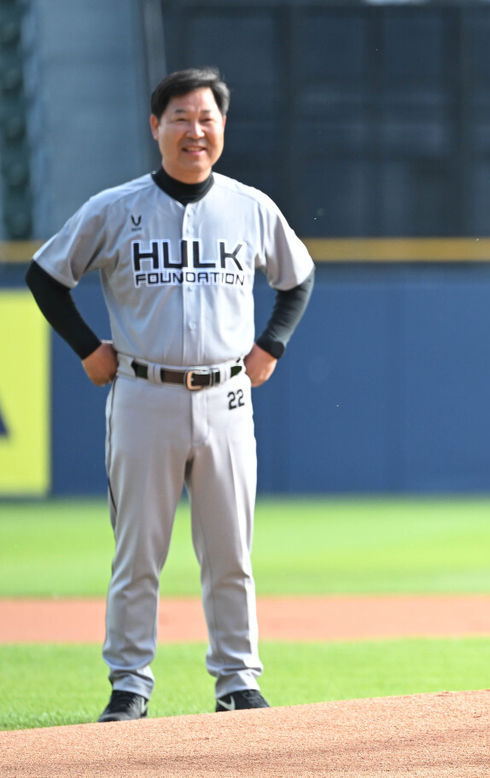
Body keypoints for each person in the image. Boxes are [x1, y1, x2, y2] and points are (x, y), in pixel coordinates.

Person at [25, 67, 315, 721]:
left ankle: (237, 681)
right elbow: (45, 275)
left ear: (222, 128)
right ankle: (129, 683)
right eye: (180, 117)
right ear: (155, 127)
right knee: (138, 552)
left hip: (226, 397)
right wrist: (87, 348)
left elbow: (297, 277)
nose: (195, 130)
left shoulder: (250, 206)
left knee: (231, 554)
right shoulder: (115, 206)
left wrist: (272, 344)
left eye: (207, 117)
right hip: (142, 393)